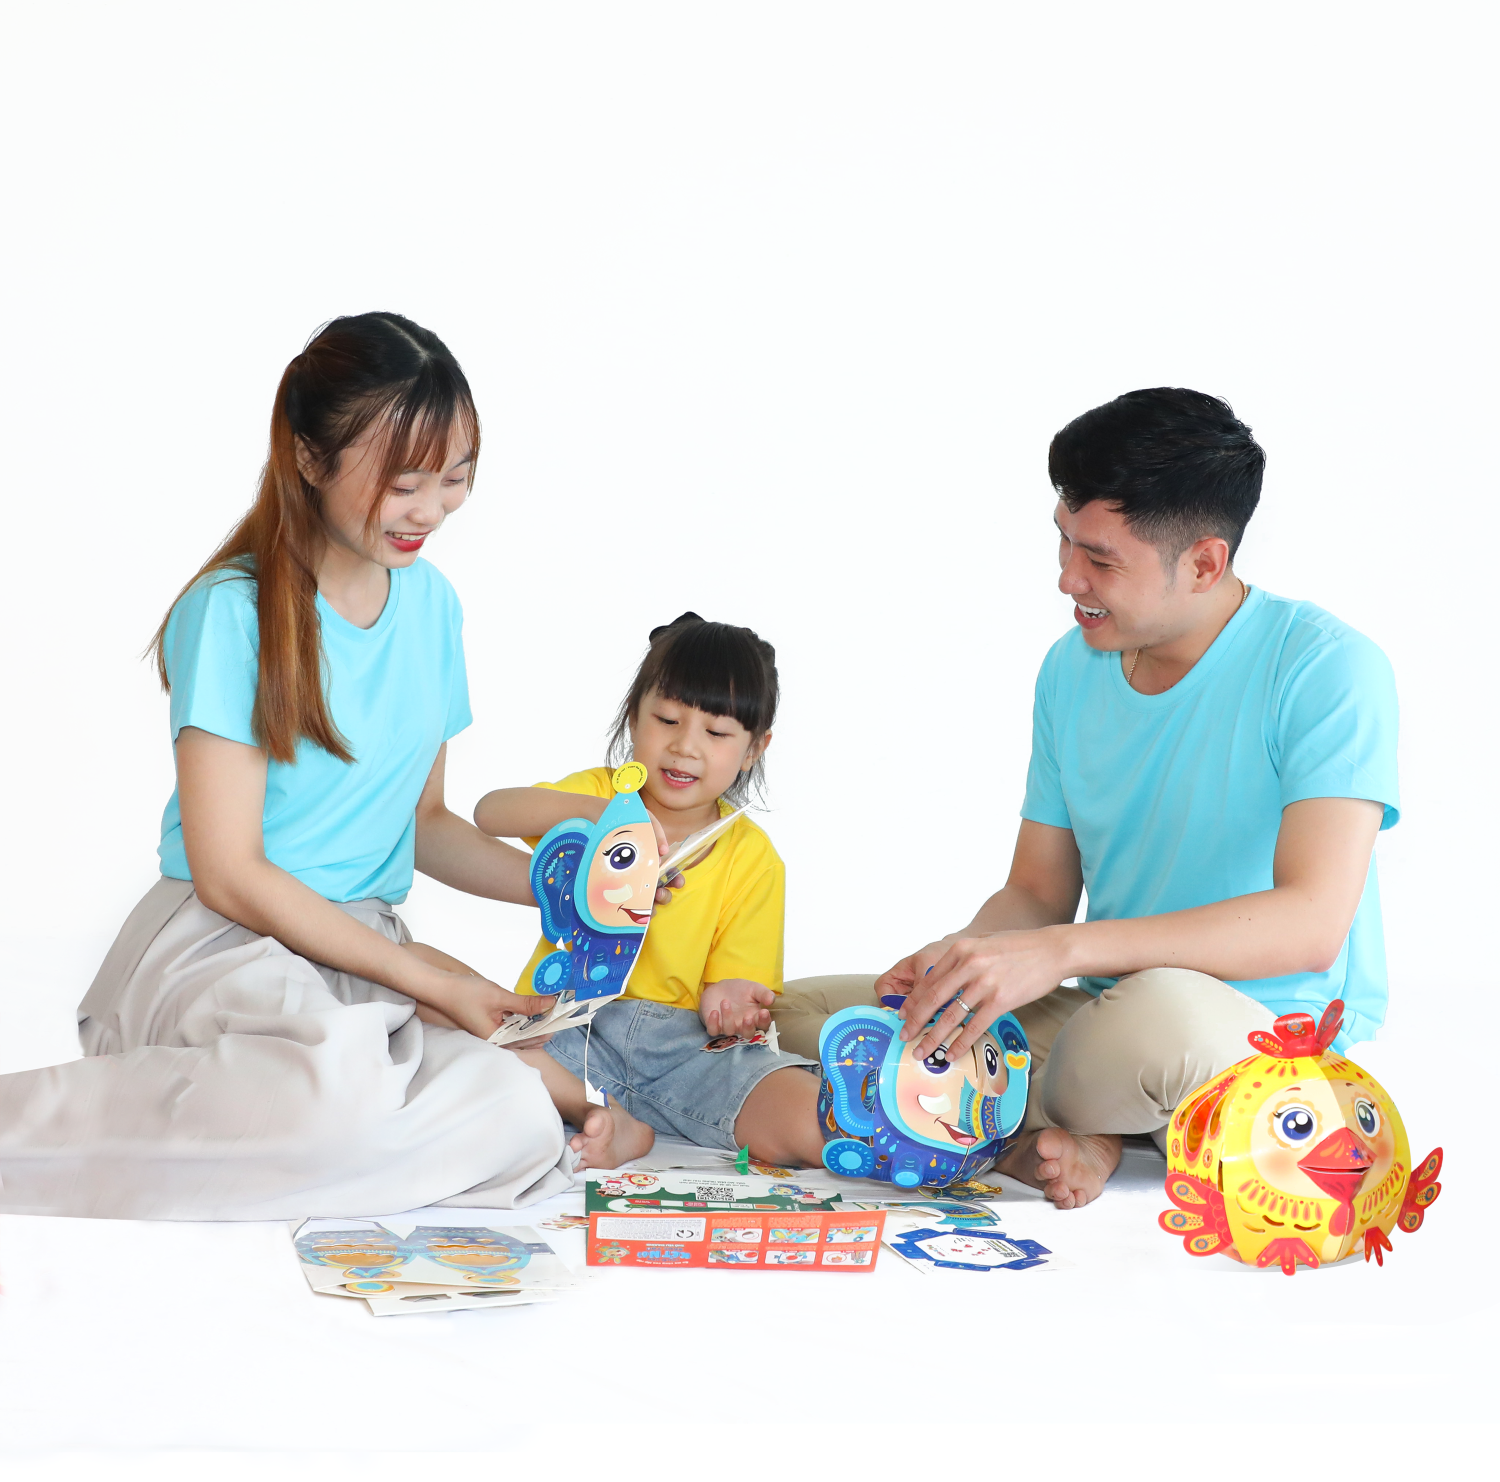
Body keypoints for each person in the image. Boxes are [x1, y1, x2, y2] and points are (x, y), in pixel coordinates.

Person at [0, 312, 652, 1221]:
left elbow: (425, 824)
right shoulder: (232, 612)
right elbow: (230, 875)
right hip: (222, 944)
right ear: (309, 458)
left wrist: (578, 889)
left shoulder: (433, 608)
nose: (430, 511)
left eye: (455, 478)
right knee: (337, 1098)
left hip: (360, 951)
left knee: (513, 1112)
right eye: (403, 483)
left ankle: (244, 1127)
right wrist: (431, 981)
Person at [772, 388, 1399, 1209]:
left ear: (1204, 563)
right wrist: (966, 957)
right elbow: (1037, 891)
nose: (1069, 578)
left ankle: (993, 1115)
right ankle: (1081, 1128)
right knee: (804, 1016)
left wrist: (1061, 952)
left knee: (1160, 1018)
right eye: (1064, 540)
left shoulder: (1326, 668)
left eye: (1101, 559)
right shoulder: (1071, 668)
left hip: (1254, 1032)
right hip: (1102, 1019)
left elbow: (1312, 923)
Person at [474, 613, 828, 1166]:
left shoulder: (752, 855)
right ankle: (609, 1118)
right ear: (633, 716)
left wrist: (730, 1004)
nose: (685, 747)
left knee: (814, 1121)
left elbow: (734, 985)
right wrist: (601, 816)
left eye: (716, 733)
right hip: (569, 1026)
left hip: (685, 1050)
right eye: (667, 720)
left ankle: (607, 1112)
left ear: (753, 749)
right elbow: (490, 812)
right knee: (476, 1049)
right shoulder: (601, 795)